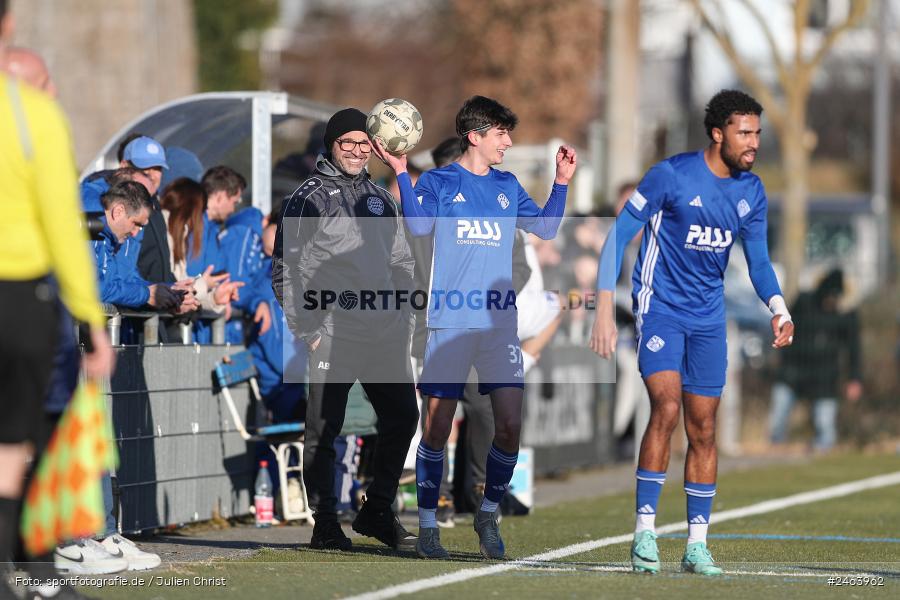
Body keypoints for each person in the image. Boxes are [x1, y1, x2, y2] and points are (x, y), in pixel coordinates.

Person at [589, 89, 795, 576]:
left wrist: (778, 307)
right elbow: (618, 234)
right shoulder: (671, 175)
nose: (753, 143)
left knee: (703, 428)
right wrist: (600, 307)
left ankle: (696, 544)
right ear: (718, 132)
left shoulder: (752, 191)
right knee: (666, 405)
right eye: (745, 133)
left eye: (758, 133)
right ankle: (644, 533)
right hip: (658, 307)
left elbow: (759, 260)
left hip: (708, 318)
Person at [381, 95, 576, 559]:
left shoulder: (507, 185)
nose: (507, 141)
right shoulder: (441, 181)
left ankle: (487, 512)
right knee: (437, 427)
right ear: (475, 136)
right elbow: (419, 225)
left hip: (497, 327)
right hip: (449, 323)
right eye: (500, 133)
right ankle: (428, 524)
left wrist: (562, 182)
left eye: (508, 133)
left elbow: (546, 228)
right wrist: (402, 173)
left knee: (509, 426)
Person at [0, 2, 115, 595]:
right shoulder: (32, 116)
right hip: (20, 292)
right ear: (10, 25)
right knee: (18, 443)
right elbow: (63, 229)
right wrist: (93, 323)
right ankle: (32, 572)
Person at [273, 107, 419, 551]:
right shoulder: (308, 197)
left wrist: (403, 314)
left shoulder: (380, 197)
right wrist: (309, 329)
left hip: (383, 332)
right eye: (346, 143)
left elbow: (401, 262)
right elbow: (285, 269)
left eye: (362, 143)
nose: (355, 151)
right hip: (333, 330)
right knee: (324, 428)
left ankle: (376, 510)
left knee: (404, 418)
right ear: (331, 147)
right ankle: (325, 522)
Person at [769, 268, 861, 452]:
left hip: (825, 377)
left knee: (825, 425)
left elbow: (854, 349)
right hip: (793, 370)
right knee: (778, 417)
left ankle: (820, 454)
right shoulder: (804, 302)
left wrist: (854, 378)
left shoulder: (846, 315)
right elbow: (787, 328)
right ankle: (774, 452)